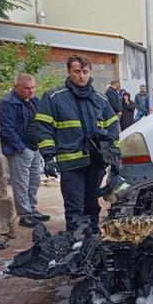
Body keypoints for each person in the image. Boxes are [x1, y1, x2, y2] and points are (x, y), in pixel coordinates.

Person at [37, 55, 120, 231]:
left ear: (90, 72)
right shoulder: (53, 97)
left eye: (85, 71)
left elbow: (113, 128)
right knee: (74, 207)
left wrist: (115, 157)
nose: (81, 76)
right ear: (68, 71)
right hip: (71, 164)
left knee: (92, 205)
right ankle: (75, 241)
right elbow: (44, 129)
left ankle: (91, 240)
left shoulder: (101, 99)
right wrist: (48, 157)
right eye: (76, 71)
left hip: (96, 162)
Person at [0, 73, 50, 227]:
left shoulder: (34, 101)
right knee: (21, 184)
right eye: (27, 88)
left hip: (35, 147)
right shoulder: (7, 104)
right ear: (16, 87)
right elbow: (7, 130)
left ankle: (32, 209)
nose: (31, 91)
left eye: (33, 87)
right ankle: (25, 215)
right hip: (20, 149)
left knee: (34, 181)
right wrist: (21, 148)